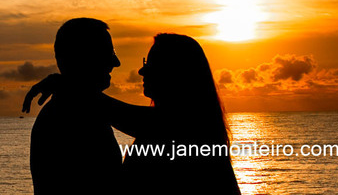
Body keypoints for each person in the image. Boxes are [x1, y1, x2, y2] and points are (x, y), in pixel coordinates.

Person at [25, 33, 240, 195]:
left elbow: (134, 118)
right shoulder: (185, 125)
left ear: (176, 73)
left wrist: (70, 86)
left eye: (152, 64)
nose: (141, 71)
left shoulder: (189, 127)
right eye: (145, 63)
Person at [28, 17, 123, 194]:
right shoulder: (71, 115)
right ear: (83, 57)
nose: (116, 62)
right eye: (107, 53)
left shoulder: (82, 108)